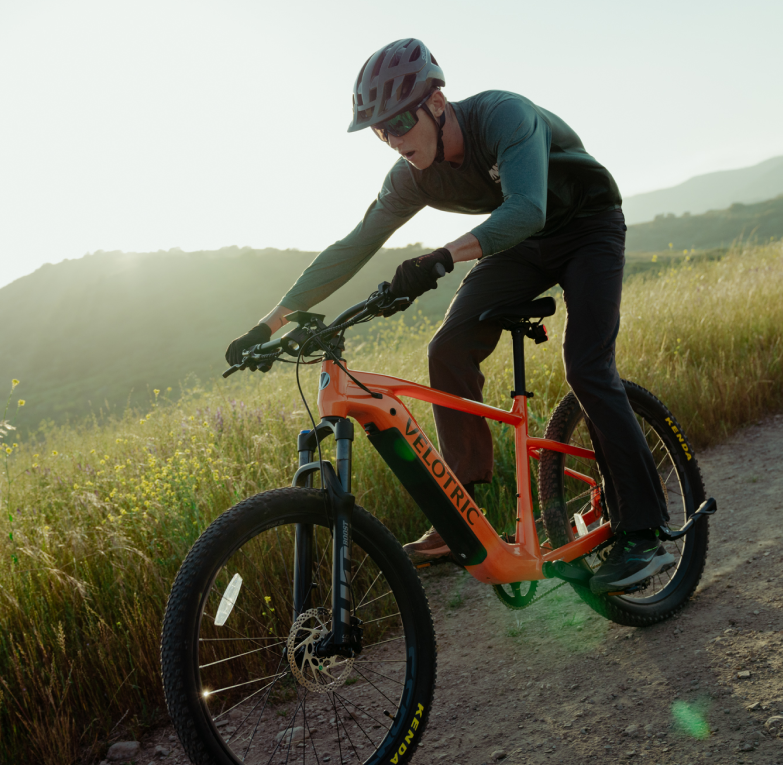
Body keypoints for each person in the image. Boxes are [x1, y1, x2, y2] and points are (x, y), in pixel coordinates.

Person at [225, 38, 672, 594]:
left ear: (437, 102)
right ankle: (462, 511)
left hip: (588, 228)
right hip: (521, 246)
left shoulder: (504, 115)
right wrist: (267, 325)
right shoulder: (411, 175)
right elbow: (353, 246)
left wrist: (441, 257)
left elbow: (527, 207)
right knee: (448, 349)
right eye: (380, 132)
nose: (394, 140)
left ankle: (644, 533)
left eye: (399, 122)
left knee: (586, 366)